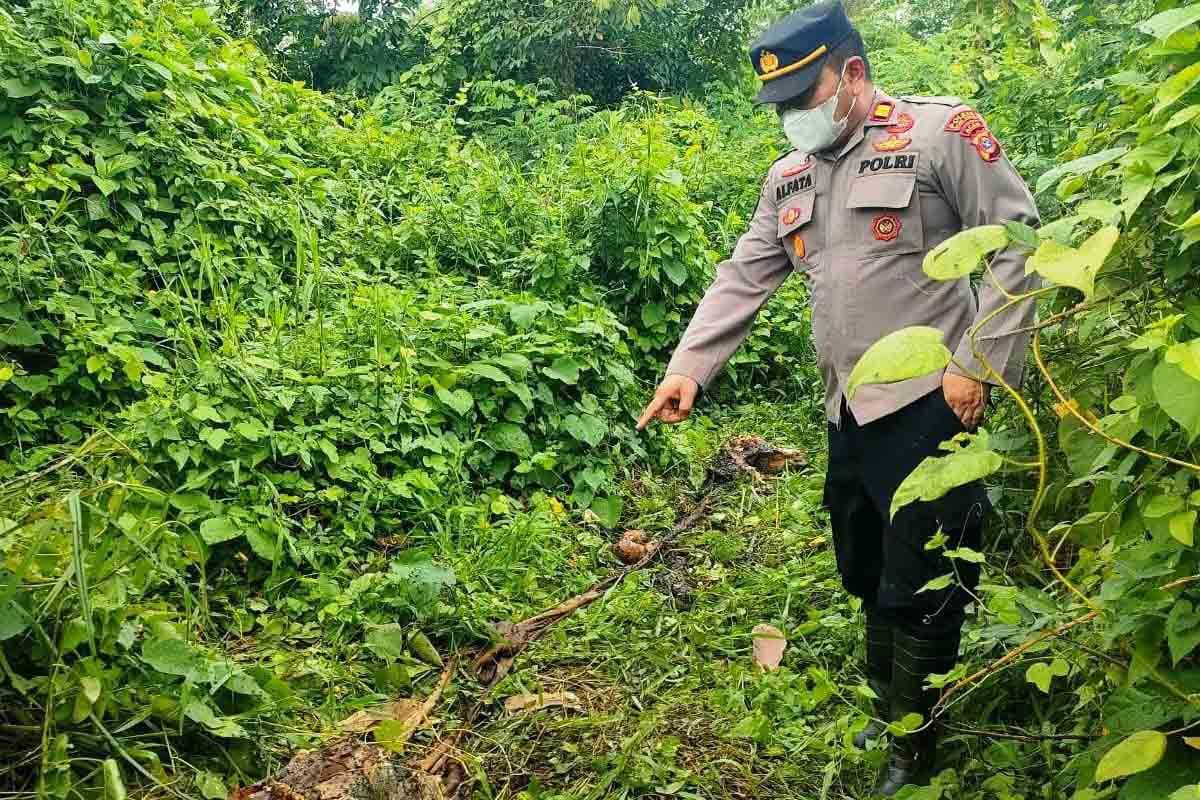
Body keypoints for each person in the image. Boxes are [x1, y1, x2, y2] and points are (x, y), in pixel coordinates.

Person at [634, 1, 1040, 794]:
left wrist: (978, 363)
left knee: (920, 575)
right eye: (780, 108)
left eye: (802, 98)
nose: (792, 119)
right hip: (846, 412)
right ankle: (890, 706)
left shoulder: (939, 136)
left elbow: (1014, 242)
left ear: (852, 73)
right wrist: (690, 365)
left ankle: (915, 746)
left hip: (931, 404)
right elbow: (744, 274)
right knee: (864, 565)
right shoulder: (789, 176)